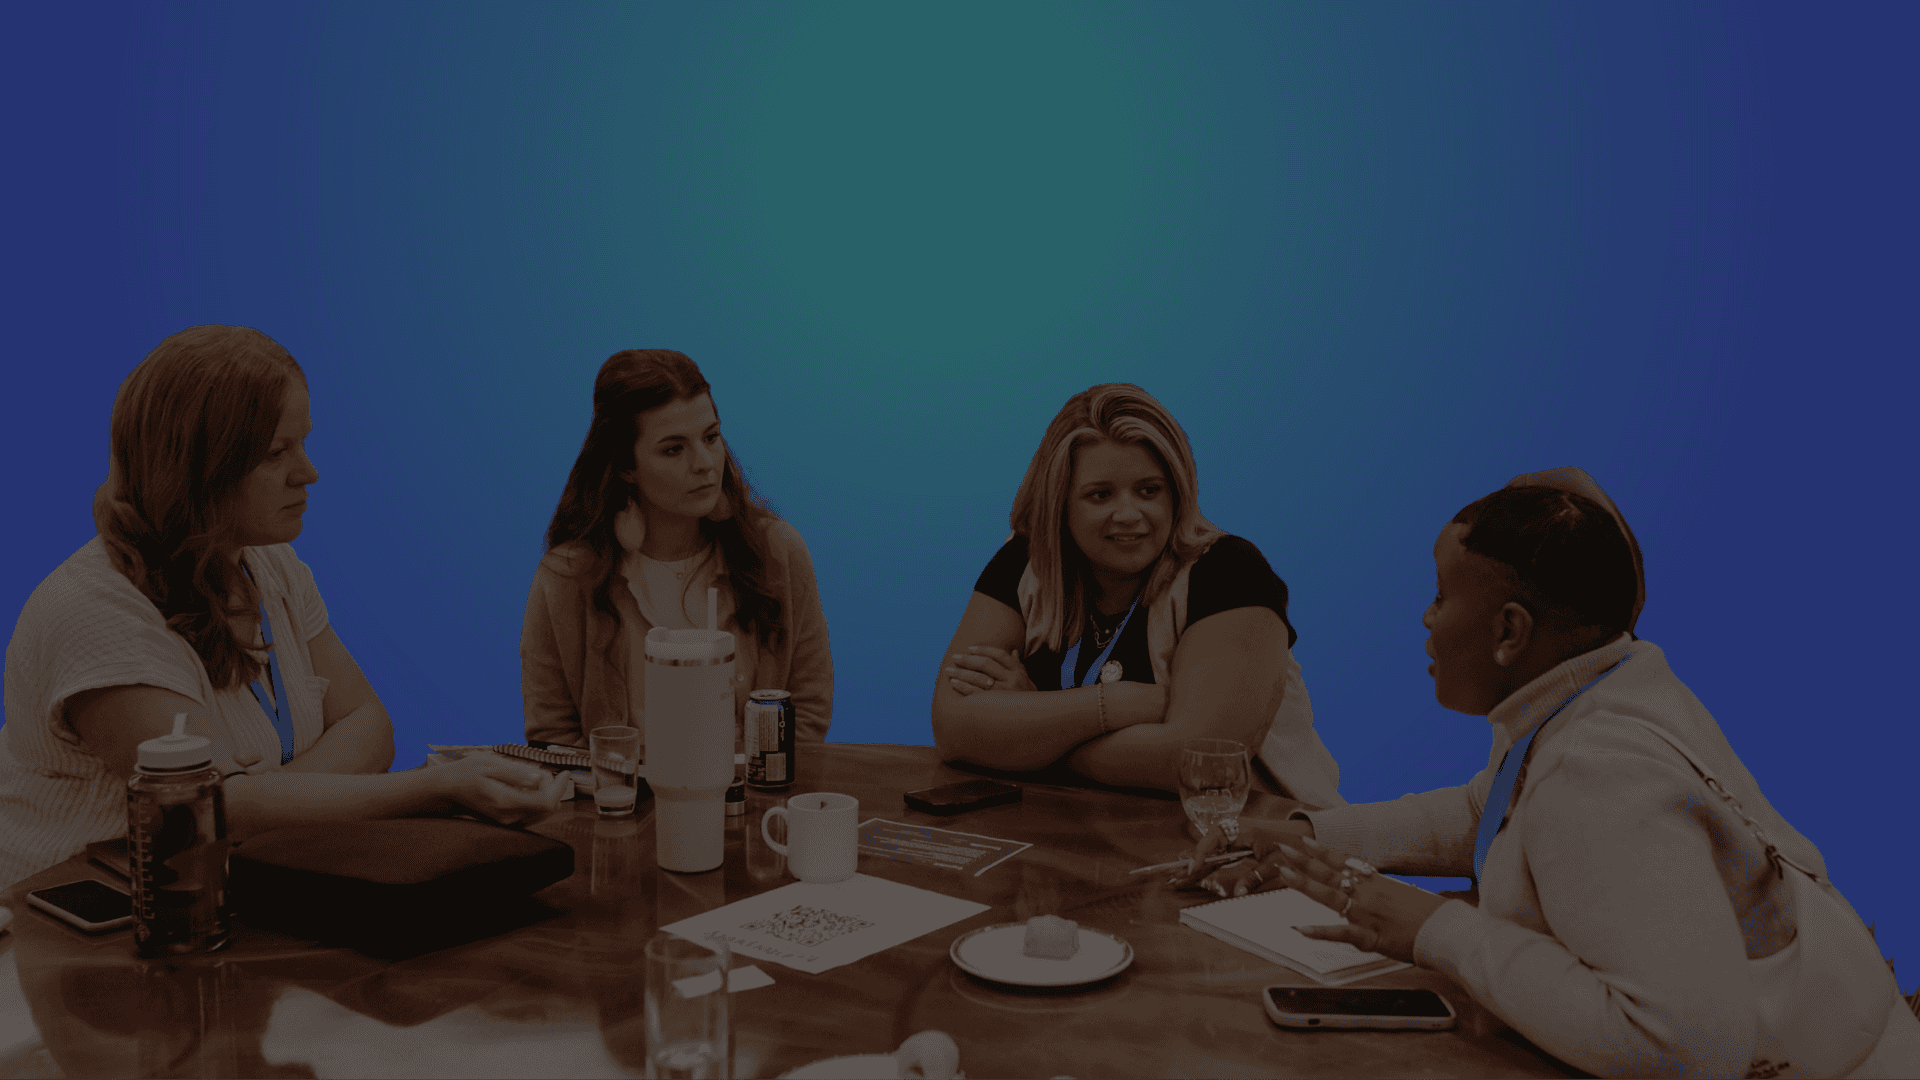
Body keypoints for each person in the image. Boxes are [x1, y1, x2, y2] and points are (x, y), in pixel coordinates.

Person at [1177, 476, 1920, 1078]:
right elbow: (1490, 810)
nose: (1426, 620)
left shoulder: (1596, 775)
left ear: (1510, 631)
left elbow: (1686, 1050)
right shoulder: (1604, 686)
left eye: (1440, 594)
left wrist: (1436, 929)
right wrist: (1307, 833)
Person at [0, 326, 561, 891]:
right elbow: (203, 805)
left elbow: (370, 725)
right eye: (275, 453)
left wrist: (265, 799)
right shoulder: (93, 611)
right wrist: (436, 787)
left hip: (229, 895)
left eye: (303, 442)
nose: (308, 472)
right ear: (195, 469)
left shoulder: (271, 565)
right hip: (82, 935)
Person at [931, 383, 1342, 803]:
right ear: (1060, 502)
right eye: (1100, 495)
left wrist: (1029, 729)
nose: (1128, 515)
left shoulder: (1230, 570)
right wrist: (1117, 704)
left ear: (1177, 493)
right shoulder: (1028, 559)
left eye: (1149, 490)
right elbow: (953, 728)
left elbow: (1198, 765)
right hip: (1085, 836)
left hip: (1266, 849)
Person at [520, 349, 831, 754]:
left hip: (754, 804)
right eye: (673, 449)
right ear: (625, 466)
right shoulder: (565, 576)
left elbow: (806, 712)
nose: (704, 464)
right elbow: (552, 736)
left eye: (711, 437)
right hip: (621, 810)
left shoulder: (778, 553)